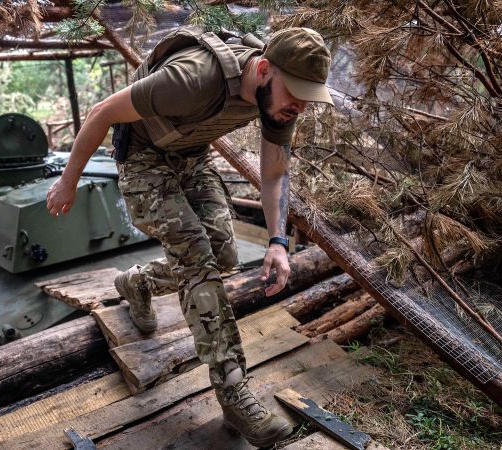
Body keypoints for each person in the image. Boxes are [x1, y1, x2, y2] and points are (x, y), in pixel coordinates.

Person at [47, 26, 333, 447]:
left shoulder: (278, 103)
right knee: (197, 256)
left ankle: (139, 282)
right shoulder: (193, 78)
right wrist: (68, 182)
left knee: (224, 254)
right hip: (143, 161)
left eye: (308, 98)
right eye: (295, 94)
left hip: (190, 158)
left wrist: (277, 242)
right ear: (265, 69)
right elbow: (101, 112)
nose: (300, 107)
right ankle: (233, 389)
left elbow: (274, 173)